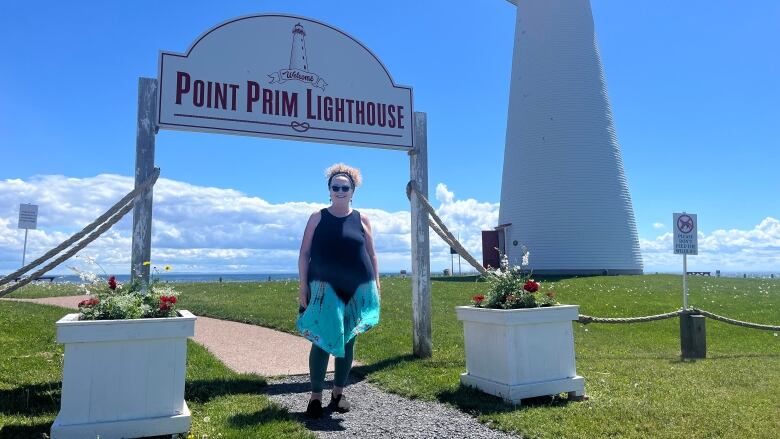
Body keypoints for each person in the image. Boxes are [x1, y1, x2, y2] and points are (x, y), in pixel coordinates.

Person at [296, 163, 381, 418]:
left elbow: (371, 254)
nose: (340, 191)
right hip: (323, 289)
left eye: (346, 187)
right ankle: (315, 397)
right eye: (336, 187)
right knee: (321, 339)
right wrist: (303, 286)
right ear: (329, 190)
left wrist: (377, 284)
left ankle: (339, 393)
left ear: (353, 190)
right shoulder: (317, 217)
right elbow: (304, 253)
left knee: (348, 339)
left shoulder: (362, 219)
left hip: (357, 289)